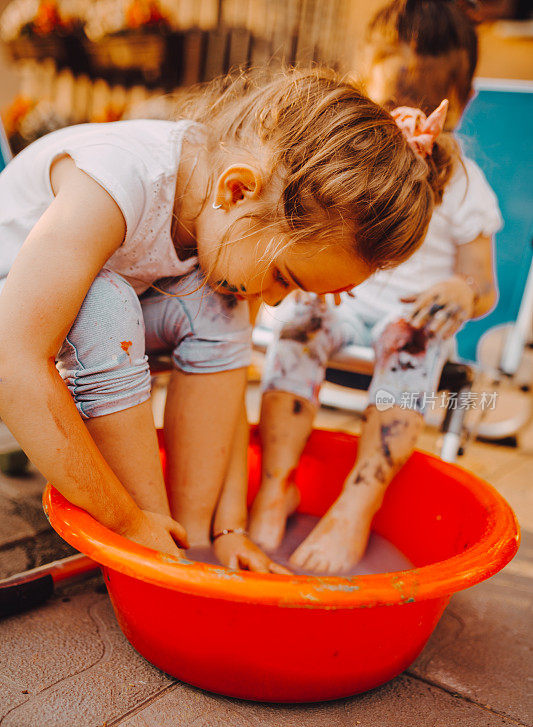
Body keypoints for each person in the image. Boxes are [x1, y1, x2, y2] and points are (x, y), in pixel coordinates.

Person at [0, 68, 452, 572]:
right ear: (237, 190)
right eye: (284, 276)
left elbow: (229, 387)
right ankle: (146, 535)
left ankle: (188, 543)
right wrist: (126, 520)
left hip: (87, 318)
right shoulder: (116, 179)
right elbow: (13, 364)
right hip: (16, 313)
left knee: (220, 307)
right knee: (109, 304)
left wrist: (230, 528)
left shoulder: (233, 219)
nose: (276, 301)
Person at [248, 3, 502, 574]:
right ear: (365, 86)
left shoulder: (464, 185)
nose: (405, 123)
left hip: (408, 320)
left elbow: (482, 282)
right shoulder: (352, 164)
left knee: (413, 341)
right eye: (389, 104)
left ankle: (358, 501)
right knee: (298, 327)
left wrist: (463, 293)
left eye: (427, 106)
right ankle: (276, 485)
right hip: (340, 305)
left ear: (460, 102)